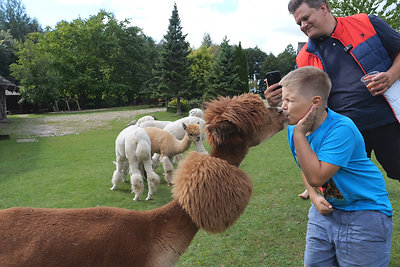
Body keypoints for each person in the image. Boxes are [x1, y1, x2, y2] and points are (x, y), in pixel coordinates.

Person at [266, 0, 400, 197]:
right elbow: (301, 96)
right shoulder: (303, 57)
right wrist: (276, 99)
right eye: (298, 23)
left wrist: (391, 75)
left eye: (306, 18)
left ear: (323, 8)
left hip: (388, 121)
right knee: (343, 193)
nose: (303, 26)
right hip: (342, 133)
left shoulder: (367, 23)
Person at [281, 66, 392, 266]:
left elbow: (317, 177)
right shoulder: (294, 130)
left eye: (289, 100)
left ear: (315, 102)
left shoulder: (341, 129)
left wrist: (299, 135)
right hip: (325, 213)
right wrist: (314, 196)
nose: (283, 106)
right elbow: (304, 168)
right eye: (283, 100)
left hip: (364, 213)